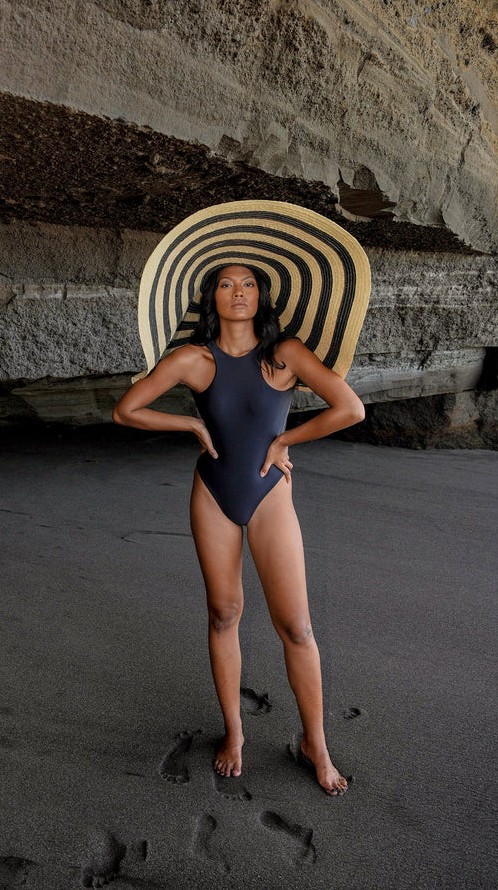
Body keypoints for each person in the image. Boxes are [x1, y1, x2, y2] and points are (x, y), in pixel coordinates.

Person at [113, 262, 365, 797]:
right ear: (213, 299)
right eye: (226, 285)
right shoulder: (193, 360)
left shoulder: (286, 355)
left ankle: (315, 745)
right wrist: (189, 422)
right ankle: (235, 733)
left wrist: (285, 442)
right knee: (224, 613)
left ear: (263, 296)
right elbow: (127, 410)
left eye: (249, 283)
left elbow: (350, 408)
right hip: (214, 494)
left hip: (270, 492)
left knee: (296, 626)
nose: (238, 293)